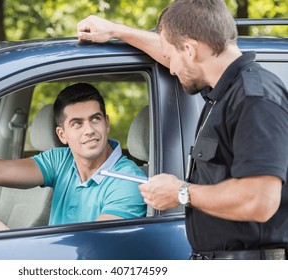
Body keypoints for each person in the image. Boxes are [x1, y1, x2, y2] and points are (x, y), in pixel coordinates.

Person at [77, 0, 288, 260]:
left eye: (171, 57)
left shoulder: (254, 98)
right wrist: (116, 31)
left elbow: (260, 200)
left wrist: (180, 191)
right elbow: (171, 51)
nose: (171, 67)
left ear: (189, 49)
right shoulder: (223, 91)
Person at [0, 82, 147, 232]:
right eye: (77, 123)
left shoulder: (127, 181)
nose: (89, 130)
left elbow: (91, 252)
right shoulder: (62, 160)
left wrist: (8, 241)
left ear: (106, 123)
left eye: (95, 119)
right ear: (62, 135)